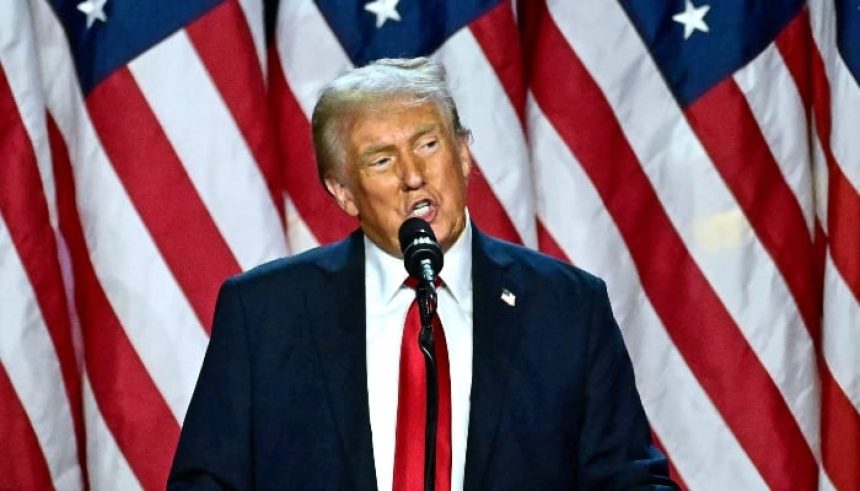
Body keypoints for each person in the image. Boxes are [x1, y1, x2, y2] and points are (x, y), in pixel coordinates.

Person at [169, 57, 676, 490]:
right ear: (343, 192)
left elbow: (628, 479)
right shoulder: (264, 312)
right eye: (382, 159)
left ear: (462, 154)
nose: (413, 176)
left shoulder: (566, 307)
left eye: (428, 145)